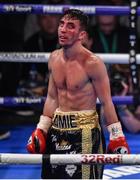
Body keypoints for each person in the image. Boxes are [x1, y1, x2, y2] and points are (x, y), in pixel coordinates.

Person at [26, 9, 130, 179]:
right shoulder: (54, 58)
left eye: (70, 26)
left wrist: (117, 135)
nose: (63, 29)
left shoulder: (93, 63)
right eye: (61, 24)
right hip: (57, 129)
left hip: (85, 131)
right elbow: (52, 97)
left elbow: (106, 102)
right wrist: (42, 129)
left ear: (82, 35)